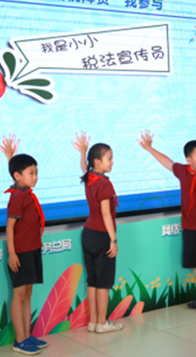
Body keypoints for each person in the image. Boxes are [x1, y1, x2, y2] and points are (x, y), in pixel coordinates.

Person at [139, 130, 196, 312]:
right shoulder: (183, 172)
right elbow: (167, 162)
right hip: (190, 228)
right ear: (189, 160)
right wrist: (149, 148)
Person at [0, 134, 48, 355]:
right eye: (31, 173)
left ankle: (27, 335)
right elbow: (9, 227)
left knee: (28, 293)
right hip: (21, 253)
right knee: (19, 295)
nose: (35, 177)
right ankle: (19, 340)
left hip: (33, 249)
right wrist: (12, 254)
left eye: (36, 172)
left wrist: (11, 157)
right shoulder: (17, 197)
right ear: (18, 176)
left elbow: (16, 171)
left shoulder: (25, 193)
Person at [72, 132, 123, 333]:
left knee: (93, 281)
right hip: (102, 235)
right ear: (97, 161)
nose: (112, 162)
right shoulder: (103, 183)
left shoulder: (89, 178)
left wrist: (82, 152)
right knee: (103, 283)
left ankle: (93, 322)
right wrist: (113, 240)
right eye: (109, 158)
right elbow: (106, 214)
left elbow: (83, 167)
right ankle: (102, 323)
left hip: (88, 234)